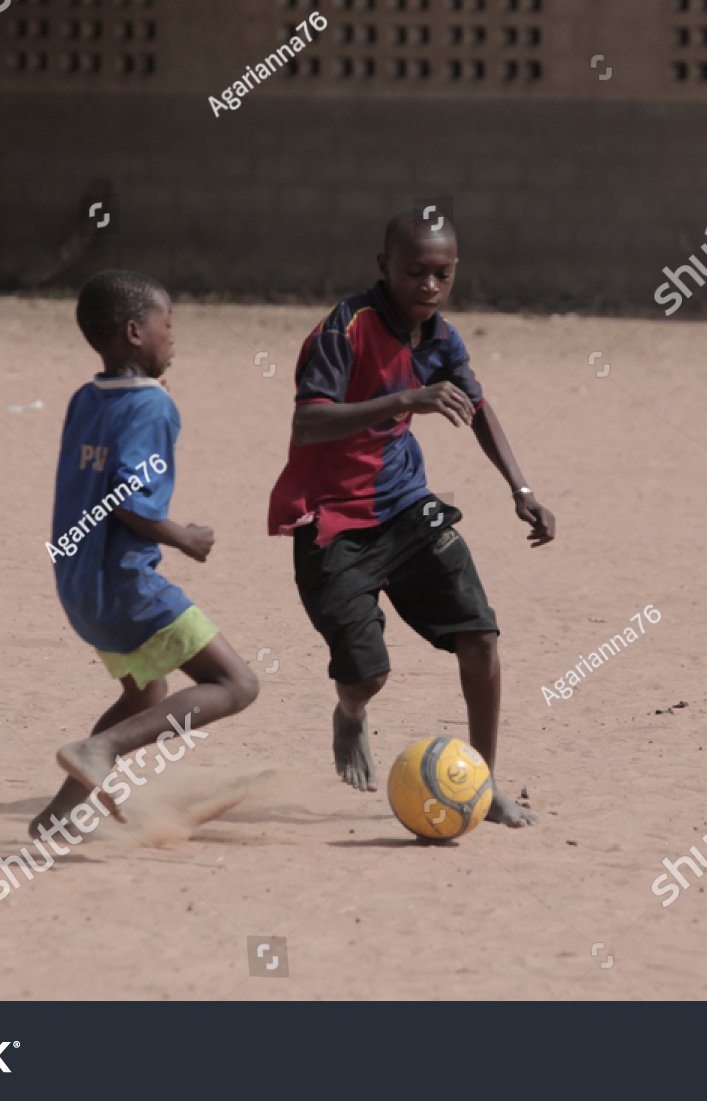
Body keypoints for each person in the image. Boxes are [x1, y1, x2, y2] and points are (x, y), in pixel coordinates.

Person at [267, 210, 555, 827]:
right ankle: (350, 711)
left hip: (405, 505)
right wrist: (405, 400)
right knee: (367, 675)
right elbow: (307, 421)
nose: (428, 285)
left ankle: (484, 782)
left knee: (480, 637)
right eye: (415, 272)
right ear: (384, 267)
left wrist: (521, 488)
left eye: (441, 274)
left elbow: (477, 407)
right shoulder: (342, 331)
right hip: (331, 520)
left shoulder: (443, 339)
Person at [32, 270, 258, 839]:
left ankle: (60, 812)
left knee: (146, 693)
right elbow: (128, 502)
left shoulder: (85, 399)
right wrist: (185, 537)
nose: (172, 336)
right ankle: (100, 748)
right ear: (135, 331)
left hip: (79, 582)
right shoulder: (153, 406)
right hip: (125, 584)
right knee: (236, 685)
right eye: (167, 323)